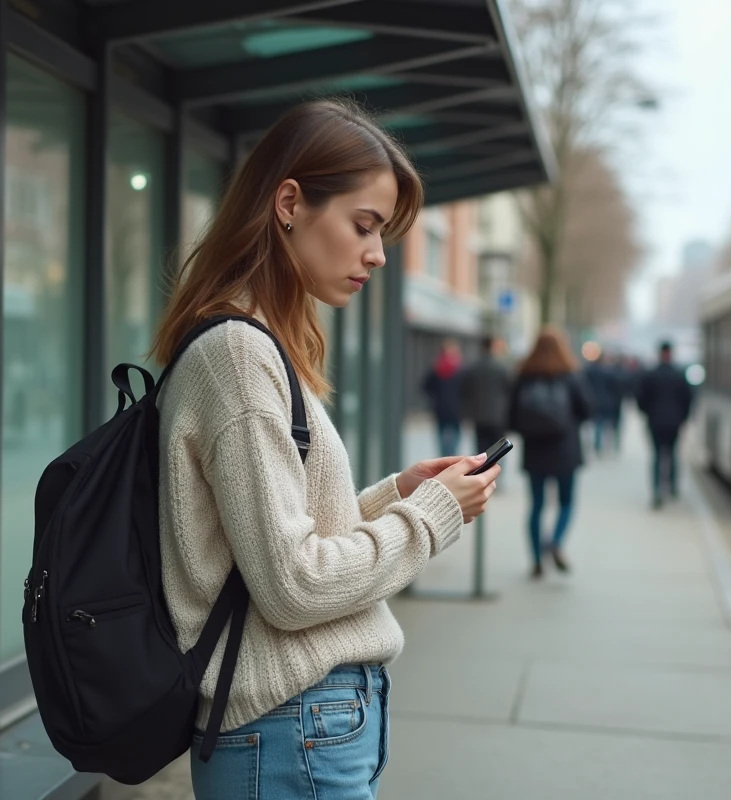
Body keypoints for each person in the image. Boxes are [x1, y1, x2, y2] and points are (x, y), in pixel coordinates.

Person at [149, 98, 502, 800]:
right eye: (364, 226)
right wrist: (428, 518)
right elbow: (292, 584)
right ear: (289, 203)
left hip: (303, 725)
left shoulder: (257, 345)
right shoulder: (239, 357)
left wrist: (394, 495)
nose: (375, 253)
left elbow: (267, 547)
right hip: (289, 728)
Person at [508, 326, 592, 577]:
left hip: (535, 451)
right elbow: (588, 409)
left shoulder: (524, 374)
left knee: (536, 506)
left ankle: (535, 560)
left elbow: (512, 416)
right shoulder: (571, 374)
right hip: (566, 449)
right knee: (566, 502)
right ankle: (555, 541)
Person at [636, 341, 694, 508]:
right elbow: (688, 399)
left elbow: (640, 398)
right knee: (673, 454)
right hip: (674, 422)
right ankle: (673, 487)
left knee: (656, 456)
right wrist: (683, 417)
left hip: (655, 421)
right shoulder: (679, 375)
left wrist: (647, 413)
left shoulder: (650, 375)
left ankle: (656, 490)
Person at [458, 334, 513, 456]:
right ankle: (496, 473)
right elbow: (510, 391)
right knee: (499, 450)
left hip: (479, 416)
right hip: (499, 416)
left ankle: (483, 473)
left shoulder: (472, 367)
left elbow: (465, 391)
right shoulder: (502, 368)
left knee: (482, 452)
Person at [422, 339, 464, 457]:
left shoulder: (436, 369)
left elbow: (426, 387)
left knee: (441, 435)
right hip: (456, 409)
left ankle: (444, 456)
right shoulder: (460, 369)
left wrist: (437, 396)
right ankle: (451, 456)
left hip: (440, 408)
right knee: (455, 435)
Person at [584, 351, 623, 455]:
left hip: (593, 400)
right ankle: (604, 444)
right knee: (605, 424)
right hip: (606, 401)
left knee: (597, 423)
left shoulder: (589, 370)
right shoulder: (608, 372)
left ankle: (598, 443)